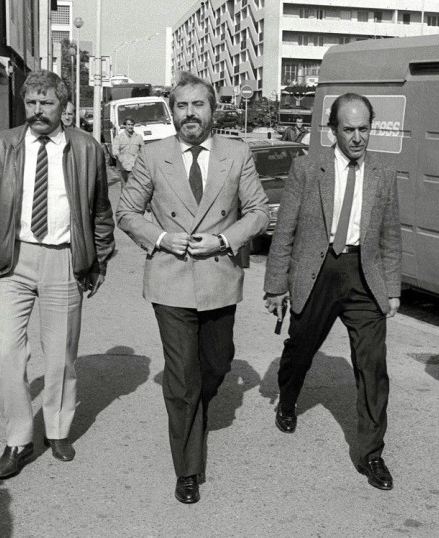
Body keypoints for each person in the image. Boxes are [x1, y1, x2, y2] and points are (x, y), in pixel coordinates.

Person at [116, 72, 268, 504]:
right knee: (182, 377)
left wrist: (224, 239)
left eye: (197, 105)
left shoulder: (236, 155)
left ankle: (195, 411)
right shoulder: (152, 154)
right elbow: (128, 211)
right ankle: (187, 469)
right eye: (181, 106)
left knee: (216, 365)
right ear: (172, 111)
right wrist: (162, 238)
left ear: (212, 110)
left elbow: (258, 211)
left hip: (220, 277)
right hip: (170, 279)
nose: (189, 115)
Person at [0, 71, 115, 479]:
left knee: (60, 353)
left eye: (46, 103)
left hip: (65, 260)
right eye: (31, 103)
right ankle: (19, 439)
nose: (38, 111)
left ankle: (57, 429)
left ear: (64, 106)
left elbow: (99, 211)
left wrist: (99, 260)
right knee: (4, 350)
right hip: (13, 260)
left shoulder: (87, 149)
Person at [263, 93, 402, 491]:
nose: (358, 138)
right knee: (300, 348)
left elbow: (391, 236)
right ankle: (287, 399)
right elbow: (284, 231)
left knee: (373, 367)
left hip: (364, 274)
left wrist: (392, 290)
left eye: (364, 129)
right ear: (332, 131)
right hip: (318, 269)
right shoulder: (308, 169)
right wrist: (275, 286)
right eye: (349, 129)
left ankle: (371, 453)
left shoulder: (384, 173)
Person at [112, 117, 144, 184]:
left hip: (135, 166)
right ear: (125, 126)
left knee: (135, 186)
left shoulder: (138, 137)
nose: (130, 126)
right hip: (123, 166)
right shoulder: (119, 137)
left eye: (132, 125)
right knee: (125, 186)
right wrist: (120, 157)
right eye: (128, 124)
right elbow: (115, 150)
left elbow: (143, 150)